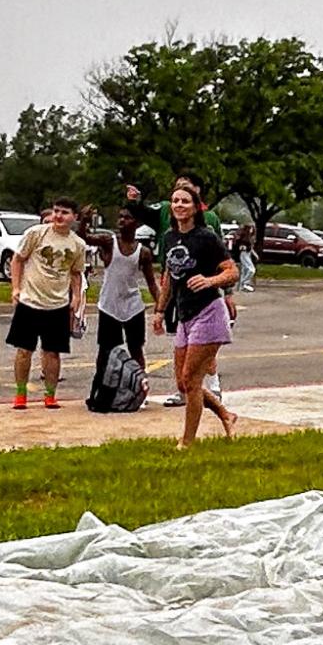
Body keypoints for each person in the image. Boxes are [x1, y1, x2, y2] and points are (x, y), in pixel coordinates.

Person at [151, 175, 240, 446]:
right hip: (184, 316)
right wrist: (159, 310)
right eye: (175, 201)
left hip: (209, 313)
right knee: (183, 383)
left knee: (191, 378)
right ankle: (225, 414)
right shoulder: (169, 237)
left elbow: (232, 271)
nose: (179, 205)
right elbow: (168, 276)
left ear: (195, 207)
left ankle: (186, 443)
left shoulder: (206, 238)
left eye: (185, 201)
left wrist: (210, 280)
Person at [6, 198, 88, 409]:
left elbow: (76, 273)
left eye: (65, 213)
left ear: (74, 217)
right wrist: (16, 288)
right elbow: (17, 259)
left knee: (52, 352)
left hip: (58, 305)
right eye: (56, 211)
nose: (59, 216)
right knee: (24, 350)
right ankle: (21, 393)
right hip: (30, 302)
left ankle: (50, 395)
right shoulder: (36, 233)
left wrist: (76, 297)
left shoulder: (77, 244)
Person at [86, 204, 158, 402]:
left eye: (126, 218)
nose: (121, 221)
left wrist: (160, 307)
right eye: (120, 217)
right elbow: (84, 237)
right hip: (109, 305)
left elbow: (151, 282)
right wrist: (83, 221)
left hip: (133, 305)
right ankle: (101, 389)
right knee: (106, 350)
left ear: (136, 223)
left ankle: (140, 389)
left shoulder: (142, 252)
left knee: (136, 349)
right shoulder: (109, 242)